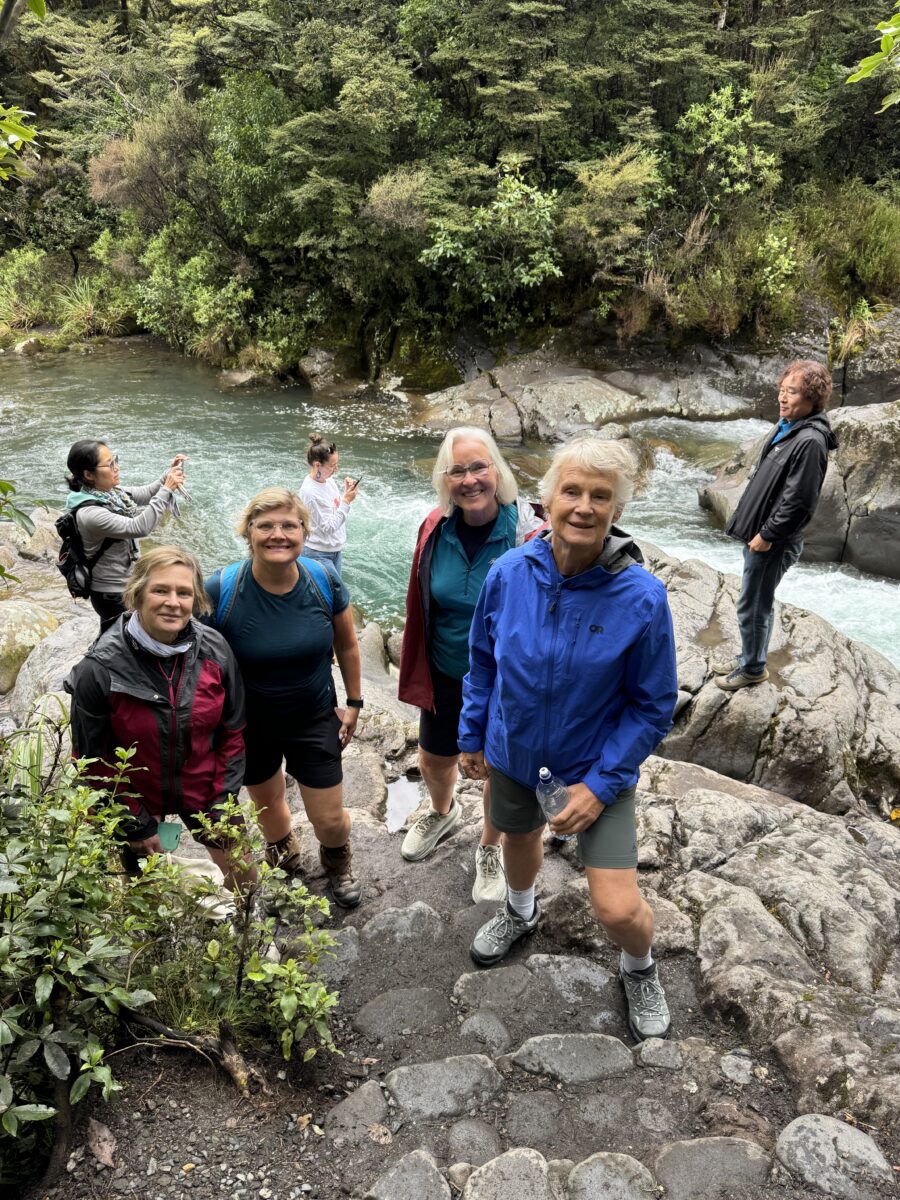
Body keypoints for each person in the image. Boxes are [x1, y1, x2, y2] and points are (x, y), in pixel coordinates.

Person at [457, 435, 678, 1042]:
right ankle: (520, 913)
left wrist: (602, 785)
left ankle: (639, 967)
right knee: (518, 839)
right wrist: (471, 734)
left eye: (599, 496)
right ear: (547, 500)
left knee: (616, 908)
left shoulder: (642, 597)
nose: (583, 506)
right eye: (572, 491)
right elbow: (482, 662)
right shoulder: (508, 573)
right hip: (513, 754)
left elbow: (653, 705)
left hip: (592, 769)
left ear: (616, 511)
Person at [398, 426, 545, 904]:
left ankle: (490, 846)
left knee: (497, 769)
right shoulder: (434, 528)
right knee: (434, 759)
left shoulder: (527, 532)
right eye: (457, 470)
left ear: (497, 471)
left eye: (479, 467)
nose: (469, 479)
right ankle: (442, 812)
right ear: (446, 479)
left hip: (504, 680)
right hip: (445, 668)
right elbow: (423, 599)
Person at [204, 488, 363, 908]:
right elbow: (192, 656)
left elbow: (347, 645)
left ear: (303, 532)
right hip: (248, 724)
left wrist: (355, 703)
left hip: (313, 716)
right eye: (266, 526)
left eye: (289, 525)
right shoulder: (222, 588)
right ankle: (284, 851)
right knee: (269, 806)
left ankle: (336, 859)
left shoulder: (323, 579)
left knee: (329, 819)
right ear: (248, 532)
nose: (278, 534)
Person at [66, 546, 254, 892]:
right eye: (160, 590)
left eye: (184, 593)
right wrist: (135, 822)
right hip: (136, 793)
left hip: (203, 784)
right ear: (137, 594)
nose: (173, 602)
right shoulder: (99, 669)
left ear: (196, 598)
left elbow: (234, 730)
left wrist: (222, 797)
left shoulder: (215, 650)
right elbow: (92, 758)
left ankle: (246, 929)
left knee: (245, 876)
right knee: (147, 886)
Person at [713, 359, 836, 690]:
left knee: (753, 605)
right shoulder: (789, 428)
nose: (782, 398)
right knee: (753, 601)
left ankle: (753, 668)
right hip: (763, 535)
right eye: (781, 390)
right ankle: (747, 657)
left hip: (774, 540)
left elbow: (800, 500)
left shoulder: (810, 441)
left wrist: (767, 535)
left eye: (792, 392)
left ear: (812, 397)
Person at [64, 439, 187, 631]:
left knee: (121, 639)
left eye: (115, 460)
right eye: (109, 464)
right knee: (121, 645)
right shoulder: (90, 514)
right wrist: (167, 489)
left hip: (126, 584)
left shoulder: (112, 494)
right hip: (111, 594)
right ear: (88, 474)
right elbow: (139, 527)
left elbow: (146, 493)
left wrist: (167, 475)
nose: (116, 468)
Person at [298, 433, 359, 577]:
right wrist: (347, 501)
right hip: (317, 553)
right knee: (326, 596)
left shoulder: (328, 481)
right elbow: (328, 528)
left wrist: (346, 493)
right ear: (317, 465)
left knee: (334, 595)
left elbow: (335, 510)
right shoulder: (310, 493)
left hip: (334, 549)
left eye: (337, 464)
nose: (336, 469)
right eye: (332, 466)